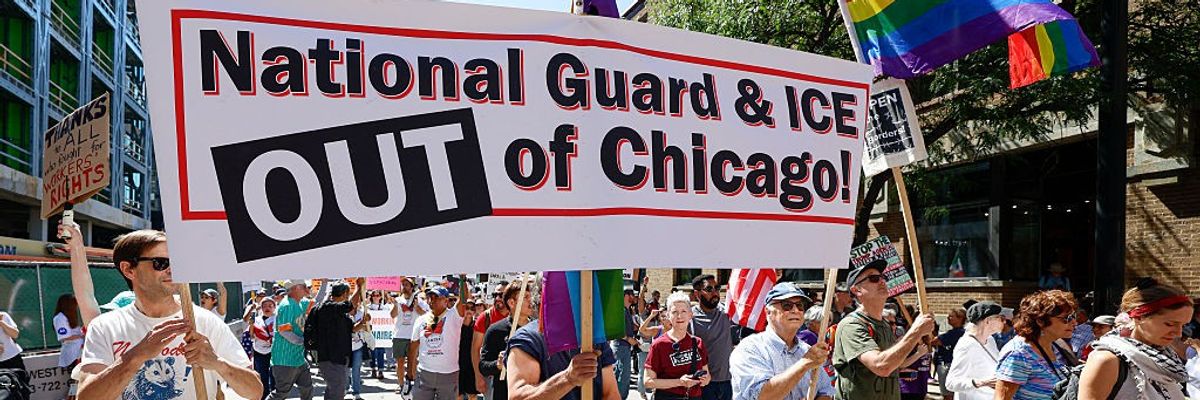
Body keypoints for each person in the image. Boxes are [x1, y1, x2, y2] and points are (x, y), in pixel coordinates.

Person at [75, 229, 262, 399]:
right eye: (161, 263)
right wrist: (136, 356)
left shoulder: (205, 322)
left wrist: (217, 363)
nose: (173, 269)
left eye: (177, 262)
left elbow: (255, 391)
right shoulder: (104, 327)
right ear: (128, 269)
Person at [832, 259, 935, 400]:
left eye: (883, 277)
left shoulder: (885, 325)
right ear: (856, 290)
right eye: (874, 278)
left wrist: (904, 369)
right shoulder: (852, 325)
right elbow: (881, 366)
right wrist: (915, 332)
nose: (882, 281)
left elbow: (893, 363)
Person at [1078, 278, 1194, 399]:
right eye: (1170, 324)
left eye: (1184, 325)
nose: (1178, 333)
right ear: (1139, 317)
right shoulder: (1107, 360)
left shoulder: (1166, 358)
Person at [729, 282, 832, 400]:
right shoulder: (749, 349)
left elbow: (826, 391)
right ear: (768, 312)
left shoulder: (807, 350)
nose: (795, 310)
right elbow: (762, 395)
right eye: (787, 305)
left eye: (800, 306)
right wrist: (805, 363)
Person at [994, 289, 1079, 400]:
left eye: (1074, 316)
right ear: (1040, 321)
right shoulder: (1020, 354)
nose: (1074, 322)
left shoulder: (1055, 345)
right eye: (1066, 318)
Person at [505, 319, 621, 400]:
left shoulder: (594, 338)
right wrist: (567, 379)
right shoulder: (528, 339)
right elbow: (518, 397)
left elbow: (611, 394)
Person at [644, 292, 712, 400]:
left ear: (690, 315)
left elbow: (707, 375)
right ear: (668, 316)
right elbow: (648, 382)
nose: (679, 316)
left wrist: (704, 379)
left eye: (683, 311)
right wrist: (680, 382)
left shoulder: (698, 342)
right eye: (674, 312)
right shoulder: (659, 345)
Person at [408, 286, 469, 400]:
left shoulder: (454, 316)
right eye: (430, 297)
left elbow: (464, 298)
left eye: (436, 297)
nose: (432, 300)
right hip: (424, 373)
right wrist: (410, 371)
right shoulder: (420, 320)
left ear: (446, 300)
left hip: (448, 374)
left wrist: (462, 278)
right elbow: (413, 346)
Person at [480, 282, 535, 400]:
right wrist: (497, 365)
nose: (531, 301)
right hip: (504, 393)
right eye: (525, 297)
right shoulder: (495, 330)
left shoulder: (538, 328)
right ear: (511, 303)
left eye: (531, 296)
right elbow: (483, 366)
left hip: (533, 392)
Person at [944, 301, 1010, 400]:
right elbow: (951, 383)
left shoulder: (990, 340)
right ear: (988, 321)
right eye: (1001, 318)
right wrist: (982, 383)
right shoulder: (967, 345)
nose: (1004, 322)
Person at [311, 280, 359, 400]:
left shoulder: (341, 313)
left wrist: (363, 324)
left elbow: (351, 329)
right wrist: (359, 288)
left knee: (333, 389)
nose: (348, 298)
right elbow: (350, 305)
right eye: (348, 294)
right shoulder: (327, 307)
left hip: (341, 357)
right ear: (344, 294)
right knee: (337, 391)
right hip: (330, 358)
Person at [689, 274, 733, 400]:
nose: (715, 293)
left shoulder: (726, 312)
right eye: (709, 289)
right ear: (697, 294)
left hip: (728, 382)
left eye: (717, 288)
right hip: (703, 383)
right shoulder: (690, 318)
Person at [269, 280, 314, 400]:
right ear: (295, 288)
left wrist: (324, 283)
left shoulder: (300, 302)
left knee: (307, 387)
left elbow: (317, 303)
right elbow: (284, 331)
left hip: (298, 358)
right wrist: (303, 341)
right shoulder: (287, 305)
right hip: (285, 359)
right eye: (303, 286)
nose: (306, 288)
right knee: (281, 393)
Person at [471, 285, 509, 399]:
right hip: (490, 376)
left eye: (501, 295)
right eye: (495, 295)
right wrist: (478, 376)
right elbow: (475, 349)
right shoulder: (485, 318)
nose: (497, 298)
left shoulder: (517, 317)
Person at [391, 277, 428, 394]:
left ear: (412, 287)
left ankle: (412, 383)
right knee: (400, 362)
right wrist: (395, 306)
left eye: (407, 285)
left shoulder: (419, 300)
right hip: (399, 335)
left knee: (413, 362)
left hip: (413, 336)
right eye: (403, 285)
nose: (404, 287)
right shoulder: (398, 300)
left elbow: (427, 315)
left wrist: (418, 308)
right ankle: (401, 385)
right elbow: (392, 315)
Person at [611, 288, 641, 400]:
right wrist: (629, 339)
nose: (635, 297)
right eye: (633, 295)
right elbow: (615, 330)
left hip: (624, 347)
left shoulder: (627, 310)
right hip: (620, 347)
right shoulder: (621, 310)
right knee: (622, 375)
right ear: (626, 296)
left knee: (623, 375)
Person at [933, 308, 966, 400]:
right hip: (948, 363)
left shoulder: (957, 333)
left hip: (947, 363)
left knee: (948, 394)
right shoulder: (957, 332)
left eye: (951, 316)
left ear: (960, 318)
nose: (948, 317)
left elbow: (934, 341)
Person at [250, 296, 277, 400]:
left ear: (274, 307)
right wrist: (251, 326)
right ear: (261, 308)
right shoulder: (256, 320)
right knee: (262, 377)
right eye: (264, 306)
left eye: (270, 306)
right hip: (259, 351)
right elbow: (252, 336)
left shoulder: (278, 319)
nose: (267, 308)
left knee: (274, 376)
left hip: (274, 351)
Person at [348, 287, 372, 400]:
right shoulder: (344, 314)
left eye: (357, 302)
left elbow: (368, 328)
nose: (356, 304)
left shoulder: (363, 313)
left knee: (356, 369)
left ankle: (356, 392)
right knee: (345, 370)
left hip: (357, 346)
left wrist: (366, 322)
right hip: (345, 347)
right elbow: (351, 329)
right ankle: (345, 387)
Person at [53, 294, 85, 369]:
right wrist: (81, 336)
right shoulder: (59, 318)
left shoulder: (71, 315)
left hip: (79, 352)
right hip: (72, 355)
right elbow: (64, 337)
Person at [366, 290, 390, 379]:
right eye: (374, 295)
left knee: (380, 352)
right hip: (371, 332)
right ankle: (373, 369)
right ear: (371, 297)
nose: (376, 297)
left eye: (378, 295)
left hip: (381, 333)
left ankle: (380, 370)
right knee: (372, 352)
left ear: (380, 297)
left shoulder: (385, 308)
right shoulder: (367, 307)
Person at [458, 303, 480, 400]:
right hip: (458, 363)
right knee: (458, 394)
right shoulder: (456, 325)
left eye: (472, 308)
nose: (469, 310)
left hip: (472, 363)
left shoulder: (477, 326)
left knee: (472, 394)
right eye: (467, 308)